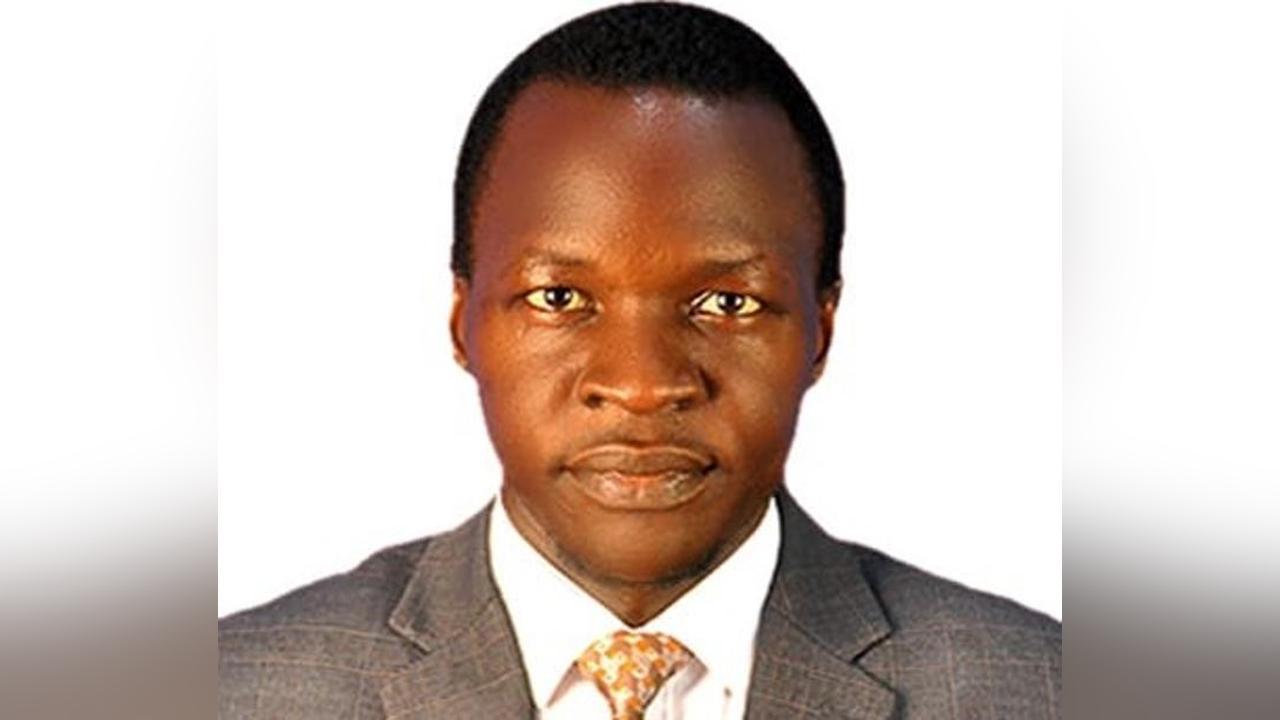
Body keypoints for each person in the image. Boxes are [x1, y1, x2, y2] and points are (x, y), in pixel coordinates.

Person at [218, 3, 1061, 718]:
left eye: (727, 303)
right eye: (558, 297)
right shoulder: (233, 690)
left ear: (821, 331)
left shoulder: (1043, 688)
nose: (643, 385)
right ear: (463, 324)